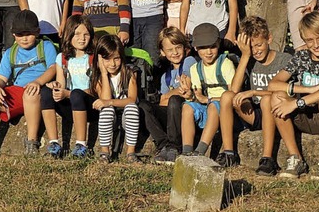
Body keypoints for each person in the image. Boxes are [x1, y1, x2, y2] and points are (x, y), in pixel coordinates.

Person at [269, 12, 319, 180]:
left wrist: (296, 103)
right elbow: (273, 84)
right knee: (276, 97)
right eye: (309, 40)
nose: (315, 45)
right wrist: (306, 89)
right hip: (308, 113)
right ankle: (295, 158)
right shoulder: (301, 57)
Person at [0, 10, 57, 155]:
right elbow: (0, 78)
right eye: (20, 35)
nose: (24, 39)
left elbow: (53, 68)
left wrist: (38, 82)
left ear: (37, 32)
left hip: (38, 92)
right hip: (18, 92)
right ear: (13, 35)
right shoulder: (11, 52)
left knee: (30, 93)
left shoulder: (46, 47)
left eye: (28, 34)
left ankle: (31, 141)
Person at [218, 16, 291, 173]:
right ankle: (229, 152)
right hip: (255, 114)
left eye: (259, 45)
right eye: (250, 47)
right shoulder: (248, 60)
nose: (256, 51)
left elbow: (287, 92)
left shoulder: (284, 60)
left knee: (266, 100)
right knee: (226, 96)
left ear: (269, 39)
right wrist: (245, 56)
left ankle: (267, 158)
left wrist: (254, 91)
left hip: (276, 112)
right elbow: (234, 89)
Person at [40, 15, 96, 158]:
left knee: (76, 93)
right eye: (77, 34)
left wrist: (68, 94)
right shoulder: (63, 58)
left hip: (89, 104)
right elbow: (61, 83)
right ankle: (54, 143)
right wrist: (56, 86)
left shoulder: (94, 58)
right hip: (70, 103)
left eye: (86, 34)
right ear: (69, 35)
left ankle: (81, 145)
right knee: (46, 92)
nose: (82, 38)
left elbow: (96, 89)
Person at [181, 23, 236, 157]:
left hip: (226, 110)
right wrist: (189, 95)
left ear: (218, 45)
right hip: (208, 107)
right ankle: (187, 151)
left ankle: (200, 151)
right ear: (196, 48)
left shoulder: (225, 64)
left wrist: (209, 99)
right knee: (187, 107)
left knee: (213, 106)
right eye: (203, 48)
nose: (209, 52)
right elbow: (198, 95)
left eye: (212, 47)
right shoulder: (196, 69)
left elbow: (232, 93)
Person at [144, 27, 196, 165]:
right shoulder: (165, 76)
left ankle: (174, 146)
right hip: (171, 113)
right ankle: (163, 145)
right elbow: (161, 101)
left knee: (174, 100)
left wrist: (169, 95)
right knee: (144, 105)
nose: (175, 53)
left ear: (184, 47)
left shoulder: (189, 61)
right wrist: (169, 95)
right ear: (162, 52)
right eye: (170, 50)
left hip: (186, 111)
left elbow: (185, 88)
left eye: (178, 47)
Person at [90, 34, 141, 163]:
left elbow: (131, 99)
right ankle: (105, 152)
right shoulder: (97, 76)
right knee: (106, 110)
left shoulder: (129, 72)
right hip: (109, 117)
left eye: (116, 59)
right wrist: (104, 73)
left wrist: (110, 102)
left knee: (132, 108)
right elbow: (104, 98)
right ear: (100, 59)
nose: (113, 64)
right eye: (107, 59)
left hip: (126, 115)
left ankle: (131, 152)